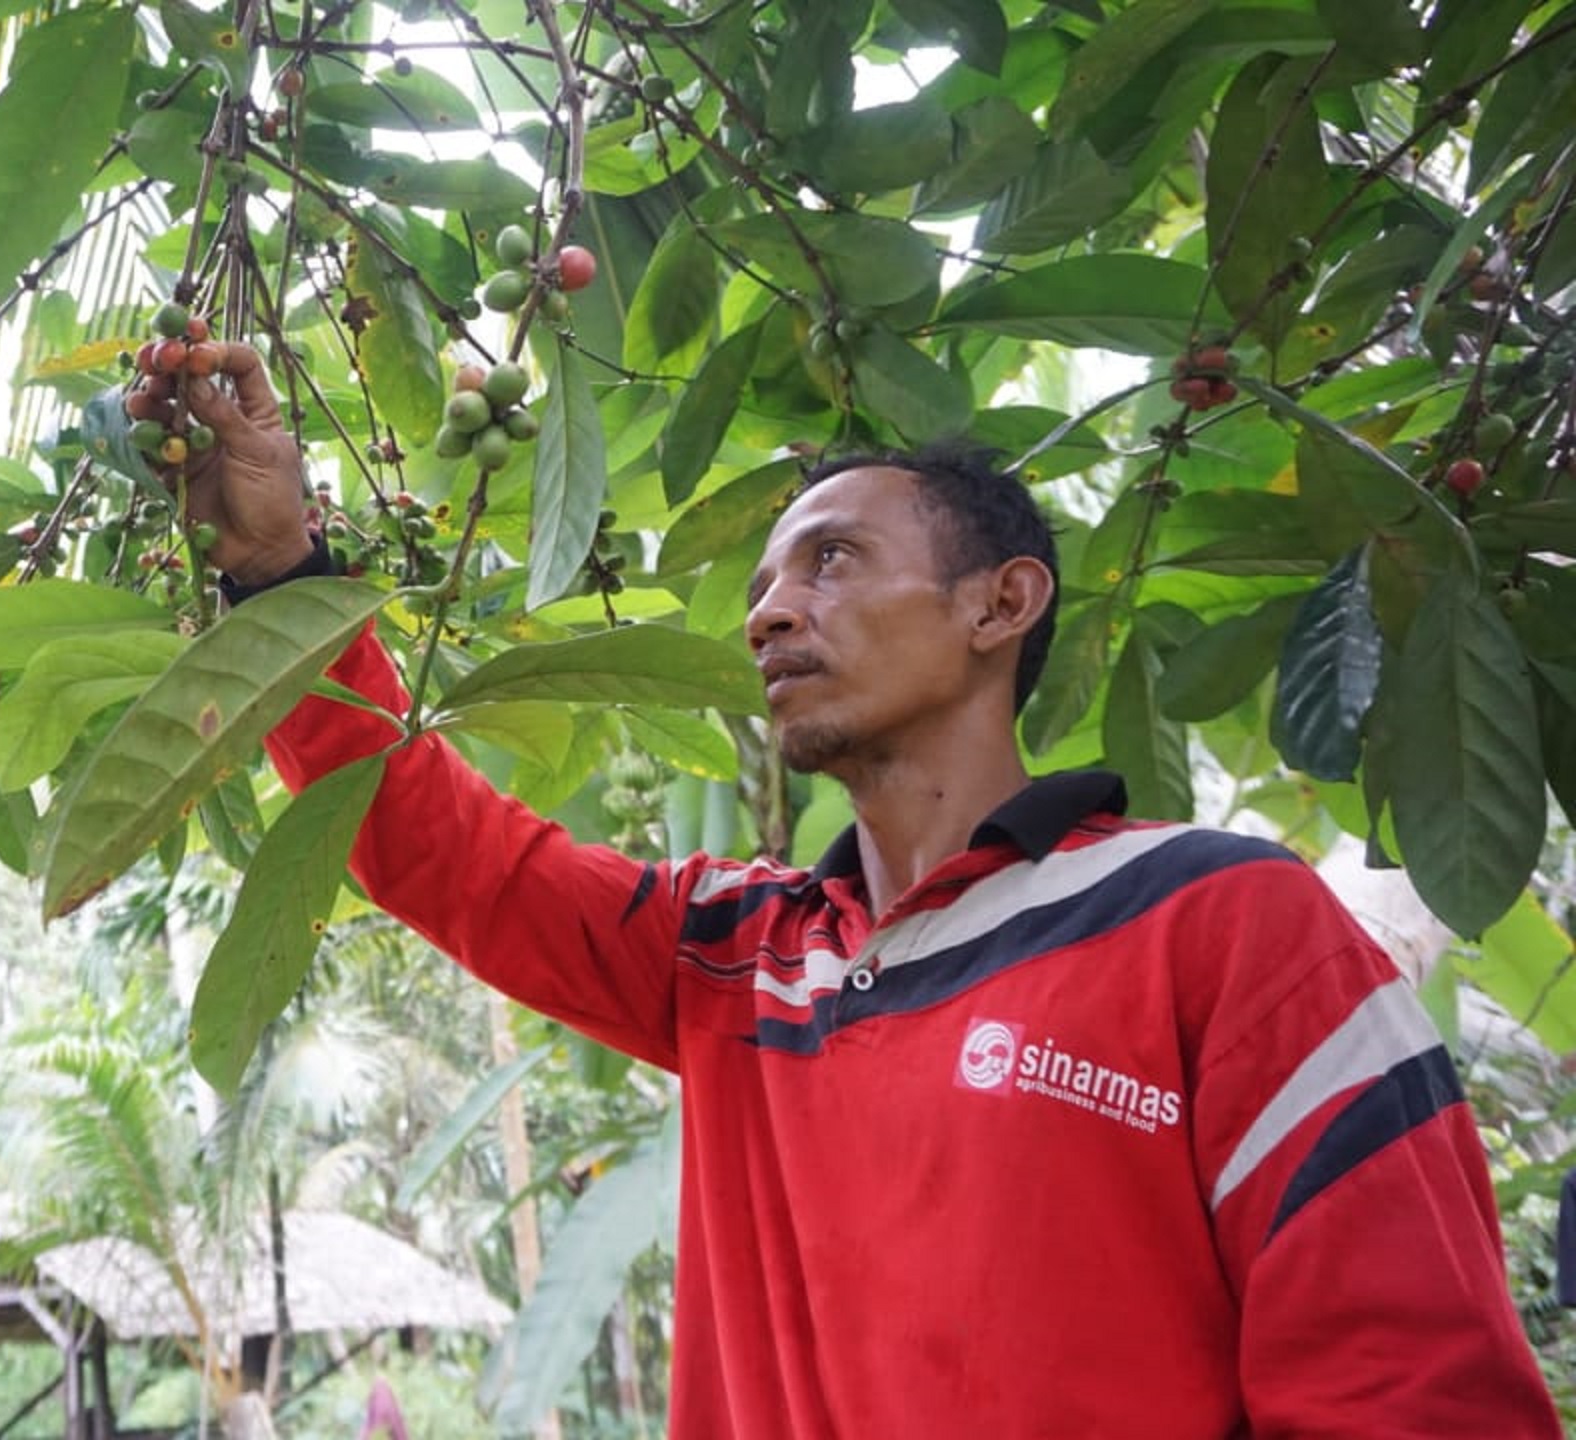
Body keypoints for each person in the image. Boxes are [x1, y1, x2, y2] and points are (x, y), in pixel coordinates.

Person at [133, 342, 1562, 1437]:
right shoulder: (735, 958)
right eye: (764, 579)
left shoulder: (1227, 926)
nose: (767, 609)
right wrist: (277, 568)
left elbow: (1411, 1394)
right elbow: (432, 845)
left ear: (1001, 605)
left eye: (831, 560)